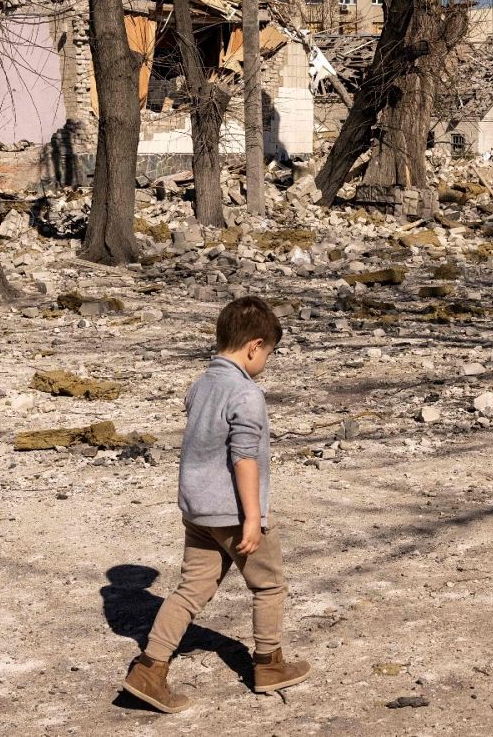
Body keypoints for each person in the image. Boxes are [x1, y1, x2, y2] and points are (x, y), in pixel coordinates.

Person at [121, 297, 312, 713]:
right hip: (234, 513)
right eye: (269, 354)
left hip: (197, 512)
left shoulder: (200, 384)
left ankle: (149, 668)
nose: (266, 362)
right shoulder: (246, 393)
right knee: (268, 585)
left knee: (191, 590)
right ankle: (268, 665)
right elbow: (243, 458)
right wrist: (253, 518)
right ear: (254, 347)